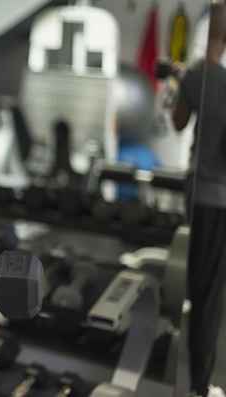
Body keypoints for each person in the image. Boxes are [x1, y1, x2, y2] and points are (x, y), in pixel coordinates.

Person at [172, 3, 226, 396]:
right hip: (220, 200)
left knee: (192, 288)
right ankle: (199, 385)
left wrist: (181, 85)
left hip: (198, 197)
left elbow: (176, 123)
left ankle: (193, 380)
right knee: (209, 296)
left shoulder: (195, 76)